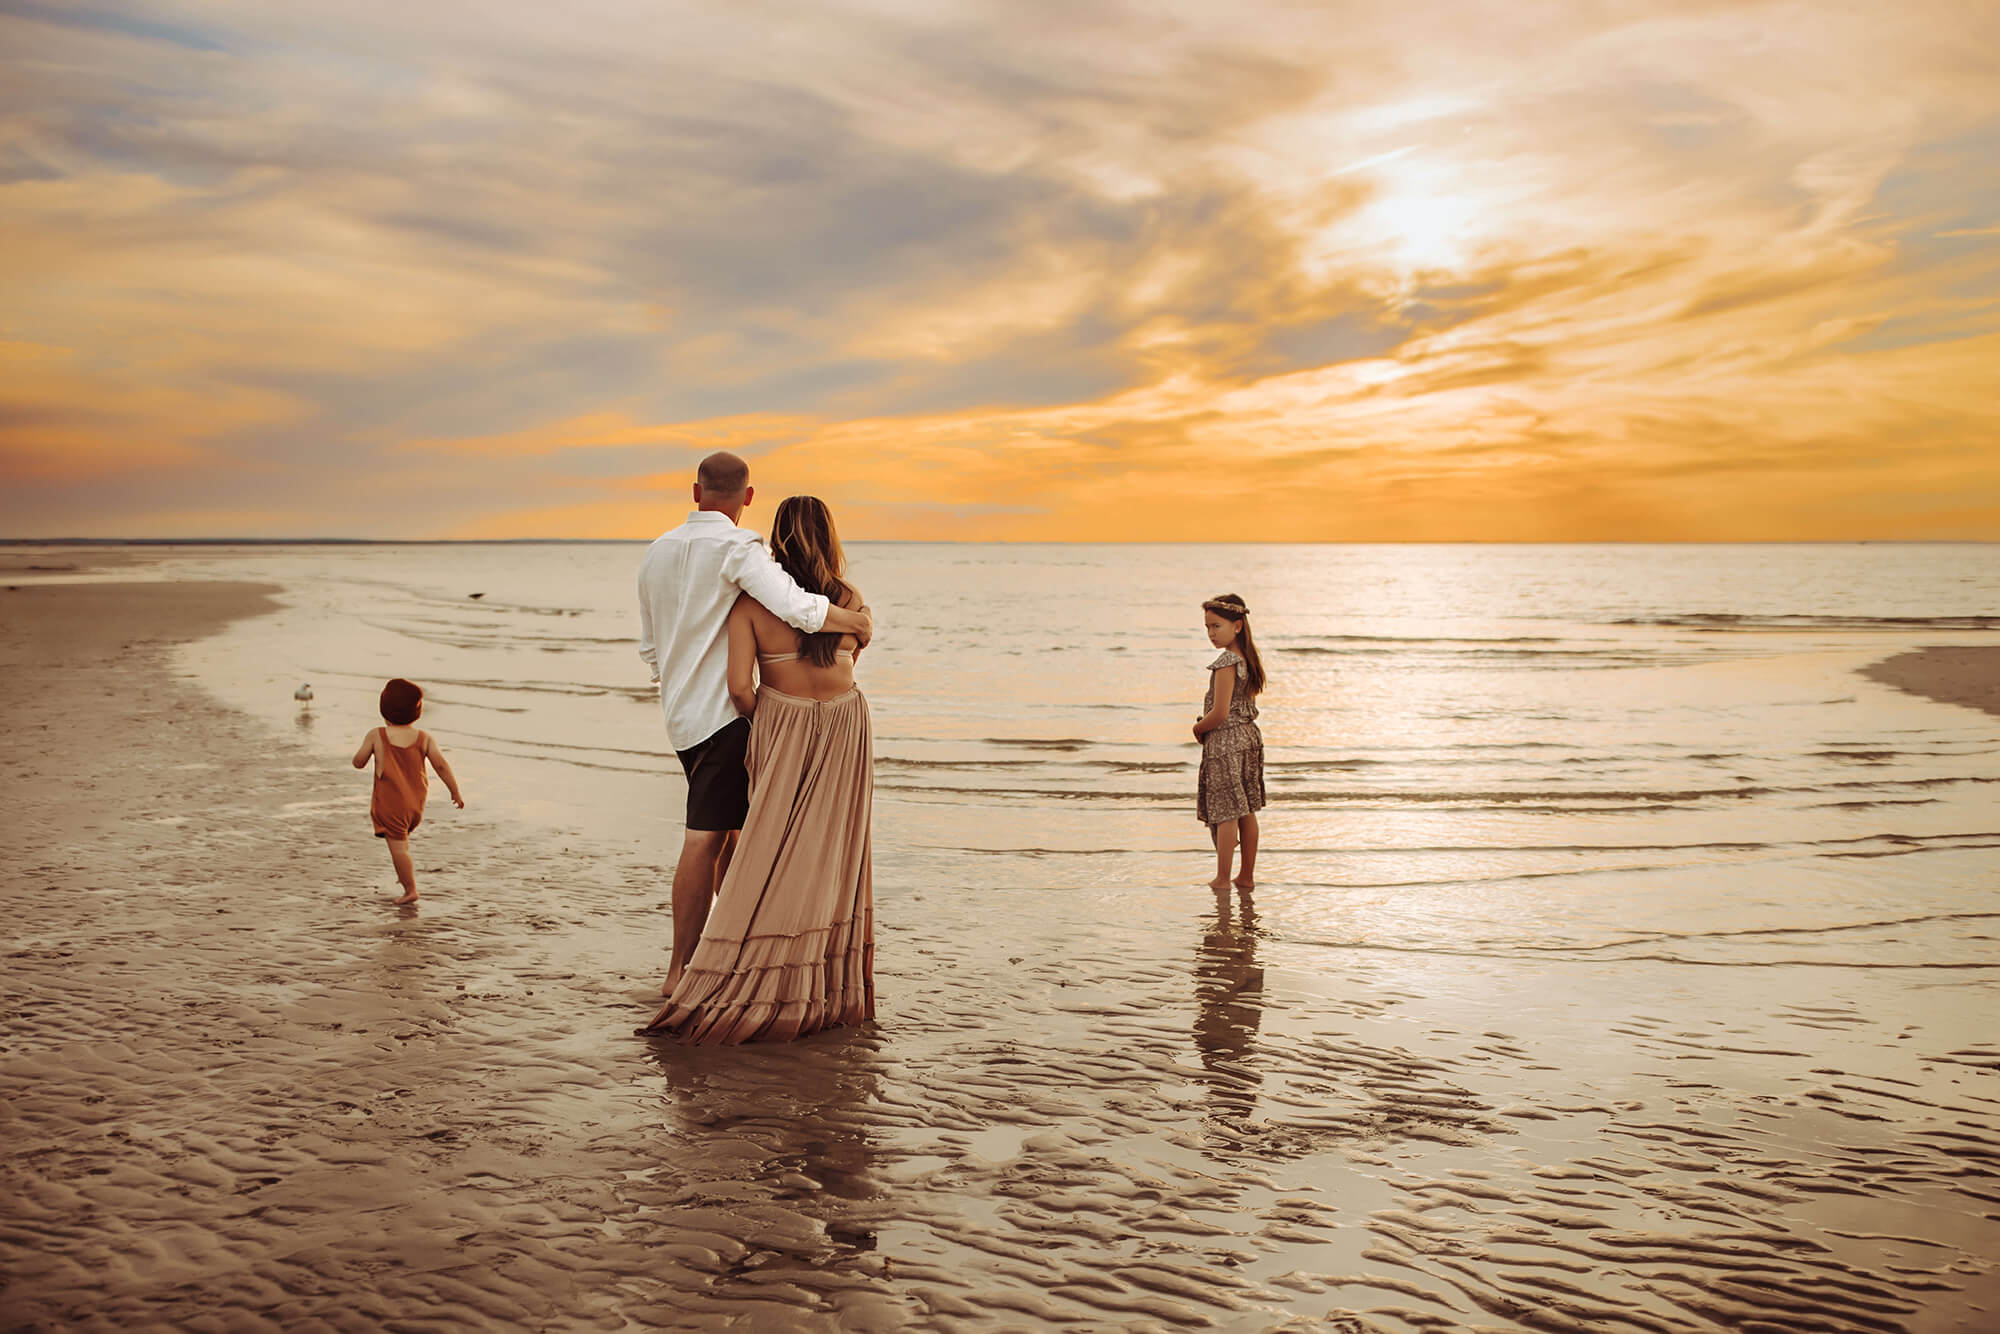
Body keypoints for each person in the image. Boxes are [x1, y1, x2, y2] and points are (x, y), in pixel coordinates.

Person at [638, 452, 873, 993]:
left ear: (695, 492)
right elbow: (799, 608)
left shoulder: (656, 552)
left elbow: (651, 649)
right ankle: (681, 973)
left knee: (735, 838)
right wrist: (856, 623)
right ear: (747, 497)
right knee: (707, 839)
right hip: (725, 717)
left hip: (682, 719)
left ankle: (730, 955)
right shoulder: (737, 548)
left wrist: (678, 693)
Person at [351, 678, 464, 905]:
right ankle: (406, 878)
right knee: (402, 841)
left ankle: (410, 889)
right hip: (416, 804)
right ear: (418, 712)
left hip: (391, 804)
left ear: (384, 709)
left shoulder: (377, 735)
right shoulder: (424, 738)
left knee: (399, 849)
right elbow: (441, 765)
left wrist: (364, 755)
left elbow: (358, 762)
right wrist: (455, 792)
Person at [1192, 594, 1266, 890]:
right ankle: (1245, 876)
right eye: (1207, 627)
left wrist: (1198, 727)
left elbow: (1220, 713)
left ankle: (1223, 878)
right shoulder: (1248, 660)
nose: (1211, 633)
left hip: (1227, 741)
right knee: (1245, 808)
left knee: (1226, 811)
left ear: (1237, 626)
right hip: (1248, 738)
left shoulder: (1226, 663)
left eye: (1216, 626)